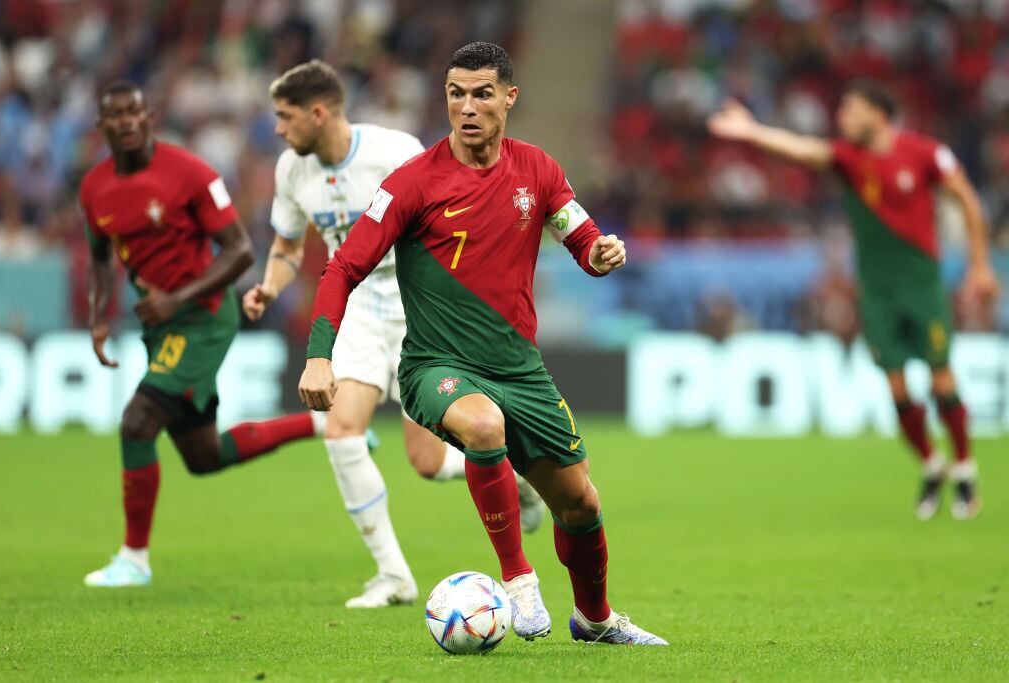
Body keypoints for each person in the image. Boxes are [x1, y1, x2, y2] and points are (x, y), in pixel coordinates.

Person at [298, 42, 667, 645]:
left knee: (581, 505)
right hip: (435, 366)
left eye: (481, 93)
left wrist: (602, 253)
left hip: (520, 370)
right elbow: (341, 268)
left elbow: (582, 238)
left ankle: (595, 621)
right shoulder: (412, 183)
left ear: (509, 97)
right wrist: (320, 355)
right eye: (455, 94)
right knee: (484, 427)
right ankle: (518, 579)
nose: (466, 107)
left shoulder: (538, 169)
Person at [243, 60, 544, 608]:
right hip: (357, 309)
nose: (280, 130)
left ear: (318, 112)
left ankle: (515, 476)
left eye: (286, 118)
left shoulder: (392, 152)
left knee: (427, 464)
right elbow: (287, 248)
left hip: (419, 307)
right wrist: (269, 285)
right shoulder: (292, 171)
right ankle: (394, 576)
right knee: (341, 432)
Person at [709, 80, 1000, 520]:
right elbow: (802, 149)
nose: (842, 117)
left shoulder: (924, 154)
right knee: (897, 388)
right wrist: (752, 133)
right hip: (877, 290)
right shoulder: (848, 159)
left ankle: (963, 469)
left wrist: (980, 265)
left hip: (921, 285)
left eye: (851, 109)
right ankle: (930, 463)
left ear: (878, 115)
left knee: (941, 379)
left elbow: (969, 202)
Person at [80, 81, 324, 587]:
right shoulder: (94, 188)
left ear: (150, 117)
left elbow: (239, 252)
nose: (126, 121)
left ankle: (134, 558)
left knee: (137, 422)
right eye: (115, 115)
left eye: (134, 112)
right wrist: (100, 314)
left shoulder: (190, 173)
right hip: (160, 326)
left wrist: (176, 297)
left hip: (206, 316)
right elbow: (102, 258)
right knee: (204, 457)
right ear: (102, 127)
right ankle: (323, 425)